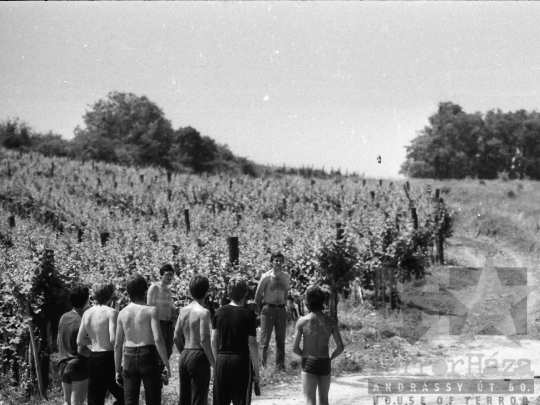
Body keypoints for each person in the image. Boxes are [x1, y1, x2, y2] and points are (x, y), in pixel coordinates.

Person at [114, 274, 171, 405]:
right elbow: (158, 338)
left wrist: (117, 370)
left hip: (128, 357)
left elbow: (117, 344)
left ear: (128, 292)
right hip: (148, 355)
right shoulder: (151, 311)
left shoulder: (122, 313)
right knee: (153, 400)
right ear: (145, 290)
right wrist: (166, 363)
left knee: (130, 401)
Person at [292, 286, 345, 405]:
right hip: (325, 362)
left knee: (310, 401)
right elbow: (340, 347)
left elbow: (295, 348)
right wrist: (330, 357)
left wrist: (305, 356)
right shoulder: (331, 321)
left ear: (308, 302)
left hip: (309, 362)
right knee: (324, 400)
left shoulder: (302, 321)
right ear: (322, 301)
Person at [212, 276, 260, 405]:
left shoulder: (218, 312)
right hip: (241, 361)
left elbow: (213, 340)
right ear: (245, 292)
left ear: (228, 292)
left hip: (222, 359)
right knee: (241, 400)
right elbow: (252, 343)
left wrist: (217, 363)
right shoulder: (249, 314)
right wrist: (256, 368)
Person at [77, 282, 124, 405]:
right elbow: (114, 340)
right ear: (110, 295)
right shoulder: (111, 312)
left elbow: (80, 340)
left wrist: (94, 339)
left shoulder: (87, 313)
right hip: (108, 357)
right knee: (124, 395)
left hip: (93, 358)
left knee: (95, 399)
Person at [174, 274, 215, 405]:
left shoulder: (183, 310)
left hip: (185, 354)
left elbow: (176, 336)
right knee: (198, 399)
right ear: (207, 291)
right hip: (198, 356)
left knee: (184, 399)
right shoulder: (204, 312)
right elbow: (204, 340)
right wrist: (213, 364)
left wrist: (184, 353)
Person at [255, 252, 290, 370]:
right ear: (272, 262)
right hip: (268, 309)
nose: (278, 263)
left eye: (280, 260)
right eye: (276, 260)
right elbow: (258, 296)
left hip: (280, 309)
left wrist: (284, 305)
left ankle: (280, 366)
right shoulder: (266, 277)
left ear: (283, 262)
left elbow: (286, 293)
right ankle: (262, 366)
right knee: (264, 340)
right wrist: (262, 310)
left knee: (281, 339)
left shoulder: (285, 277)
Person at [58, 284, 91, 405]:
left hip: (62, 364)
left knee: (67, 402)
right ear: (87, 300)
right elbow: (82, 350)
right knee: (78, 403)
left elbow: (59, 340)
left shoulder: (63, 318)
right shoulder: (81, 321)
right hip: (77, 365)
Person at [147, 263, 176, 377]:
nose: (170, 277)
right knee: (159, 352)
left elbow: (170, 307)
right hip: (158, 323)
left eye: (171, 275)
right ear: (161, 275)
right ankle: (155, 377)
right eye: (167, 275)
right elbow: (149, 308)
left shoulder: (168, 290)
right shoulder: (154, 288)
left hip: (168, 325)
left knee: (168, 351)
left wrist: (174, 317)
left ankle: (161, 374)